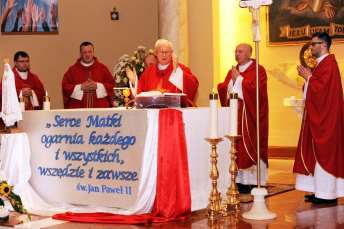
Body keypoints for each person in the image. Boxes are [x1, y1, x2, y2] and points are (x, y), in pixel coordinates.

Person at [293, 32, 344, 205]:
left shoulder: (329, 64)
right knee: (315, 153)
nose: (311, 47)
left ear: (323, 45)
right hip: (319, 116)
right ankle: (319, 191)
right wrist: (309, 78)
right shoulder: (321, 65)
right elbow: (316, 87)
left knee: (325, 153)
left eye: (313, 44)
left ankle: (327, 194)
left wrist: (308, 78)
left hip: (326, 120)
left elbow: (322, 90)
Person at [217, 43, 269, 193]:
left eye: (240, 51)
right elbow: (223, 88)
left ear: (249, 53)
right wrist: (230, 82)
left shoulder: (259, 70)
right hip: (235, 114)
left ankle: (253, 181)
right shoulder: (233, 70)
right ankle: (238, 180)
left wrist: (239, 80)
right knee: (236, 146)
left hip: (251, 116)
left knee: (249, 145)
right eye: (236, 51)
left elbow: (258, 92)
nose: (237, 54)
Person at [131, 39, 199, 105]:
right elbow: (139, 93)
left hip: (174, 111)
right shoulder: (149, 71)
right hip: (152, 111)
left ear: (172, 53)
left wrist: (177, 71)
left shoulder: (181, 68)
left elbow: (193, 86)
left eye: (167, 52)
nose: (164, 55)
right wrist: (134, 82)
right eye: (161, 52)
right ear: (156, 53)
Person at [62, 41, 115, 108]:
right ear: (80, 54)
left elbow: (112, 85)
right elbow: (65, 86)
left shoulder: (102, 68)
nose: (87, 55)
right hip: (78, 109)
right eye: (85, 52)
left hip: (100, 109)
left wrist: (98, 86)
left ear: (93, 53)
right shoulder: (72, 70)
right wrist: (80, 87)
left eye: (90, 52)